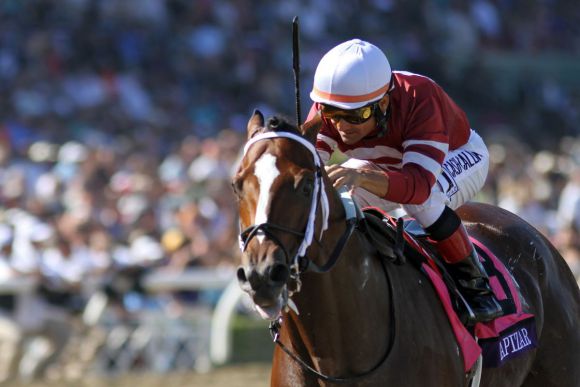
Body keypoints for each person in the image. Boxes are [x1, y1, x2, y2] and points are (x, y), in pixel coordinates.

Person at [306, 39, 502, 323]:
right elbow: (307, 169)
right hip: (387, 165)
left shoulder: (421, 98)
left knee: (424, 202)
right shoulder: (332, 105)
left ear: (383, 102)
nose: (341, 125)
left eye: (355, 115)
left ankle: (476, 287)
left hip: (457, 155)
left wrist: (362, 176)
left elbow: (417, 185)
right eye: (331, 114)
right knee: (335, 197)